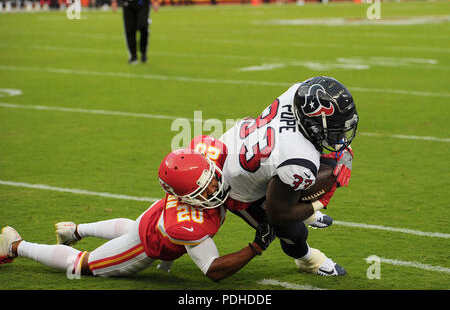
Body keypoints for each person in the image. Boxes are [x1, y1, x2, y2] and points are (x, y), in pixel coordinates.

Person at [0, 149, 275, 281]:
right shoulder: (186, 224)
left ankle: (75, 230)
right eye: (204, 190)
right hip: (144, 246)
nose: (215, 188)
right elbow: (214, 270)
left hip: (150, 219)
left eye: (212, 180)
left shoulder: (205, 169)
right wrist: (256, 247)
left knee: (130, 227)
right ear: (184, 196)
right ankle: (14, 246)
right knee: (81, 265)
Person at [190, 76, 358, 276]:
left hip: (245, 146)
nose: (340, 134)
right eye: (335, 128)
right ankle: (308, 260)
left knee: (326, 163)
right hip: (237, 188)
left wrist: (342, 153)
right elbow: (278, 214)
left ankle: (305, 210)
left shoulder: (298, 93)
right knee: (293, 232)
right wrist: (323, 197)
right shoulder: (297, 158)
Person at [111, 0, 160, 64]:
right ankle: (133, 56)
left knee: (143, 26)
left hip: (142, 1)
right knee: (130, 29)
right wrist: (114, 0)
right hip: (128, 2)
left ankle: (143, 52)